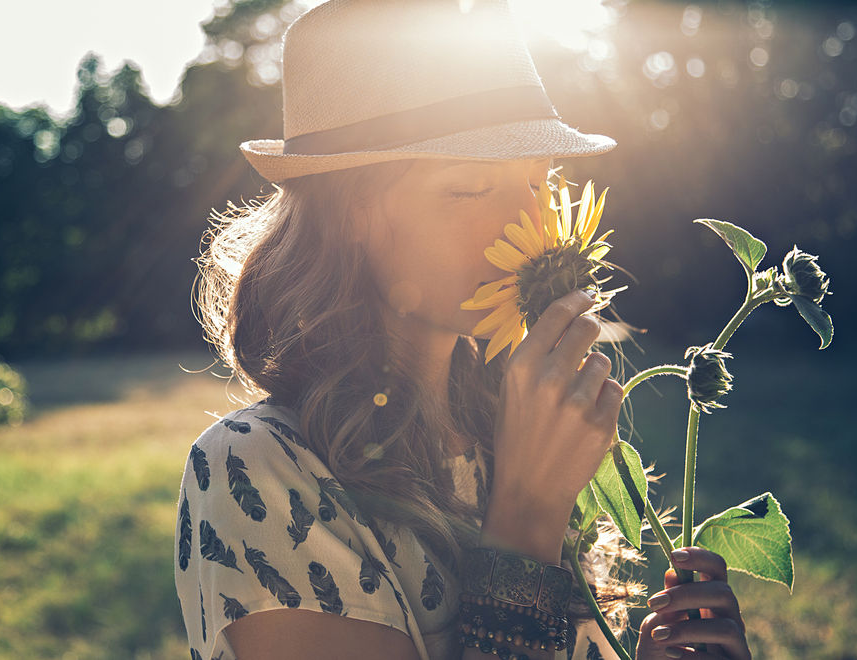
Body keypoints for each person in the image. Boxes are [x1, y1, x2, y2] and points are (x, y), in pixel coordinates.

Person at [175, 1, 753, 659]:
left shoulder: (498, 434)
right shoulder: (259, 470)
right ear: (350, 214)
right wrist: (528, 517)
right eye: (471, 188)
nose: (527, 225)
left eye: (541, 182)